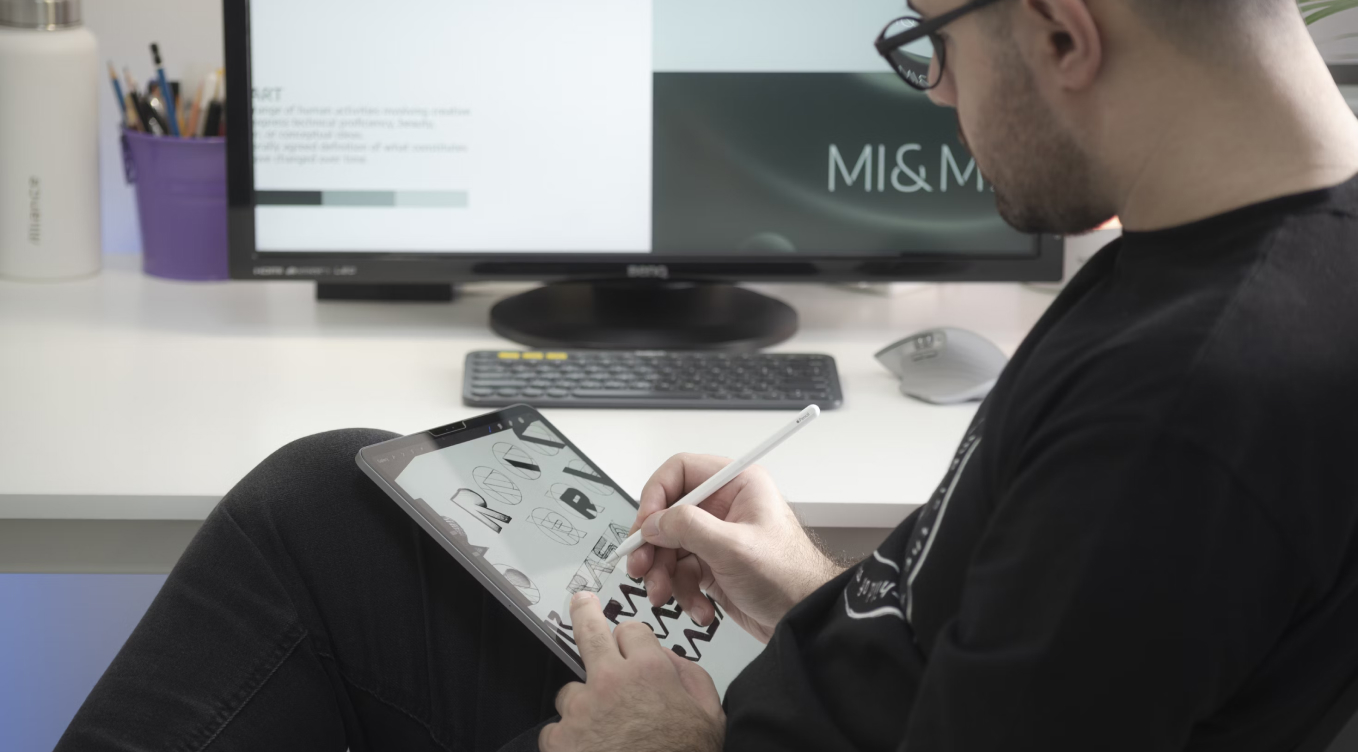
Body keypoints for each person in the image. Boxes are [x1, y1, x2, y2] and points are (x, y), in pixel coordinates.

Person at [59, 0, 1358, 748]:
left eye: (929, 42)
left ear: (1064, 32)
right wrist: (826, 597)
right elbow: (1050, 647)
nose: (934, 95)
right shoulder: (1224, 251)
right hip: (797, 700)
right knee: (336, 497)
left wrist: (671, 743)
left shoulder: (1193, 407)